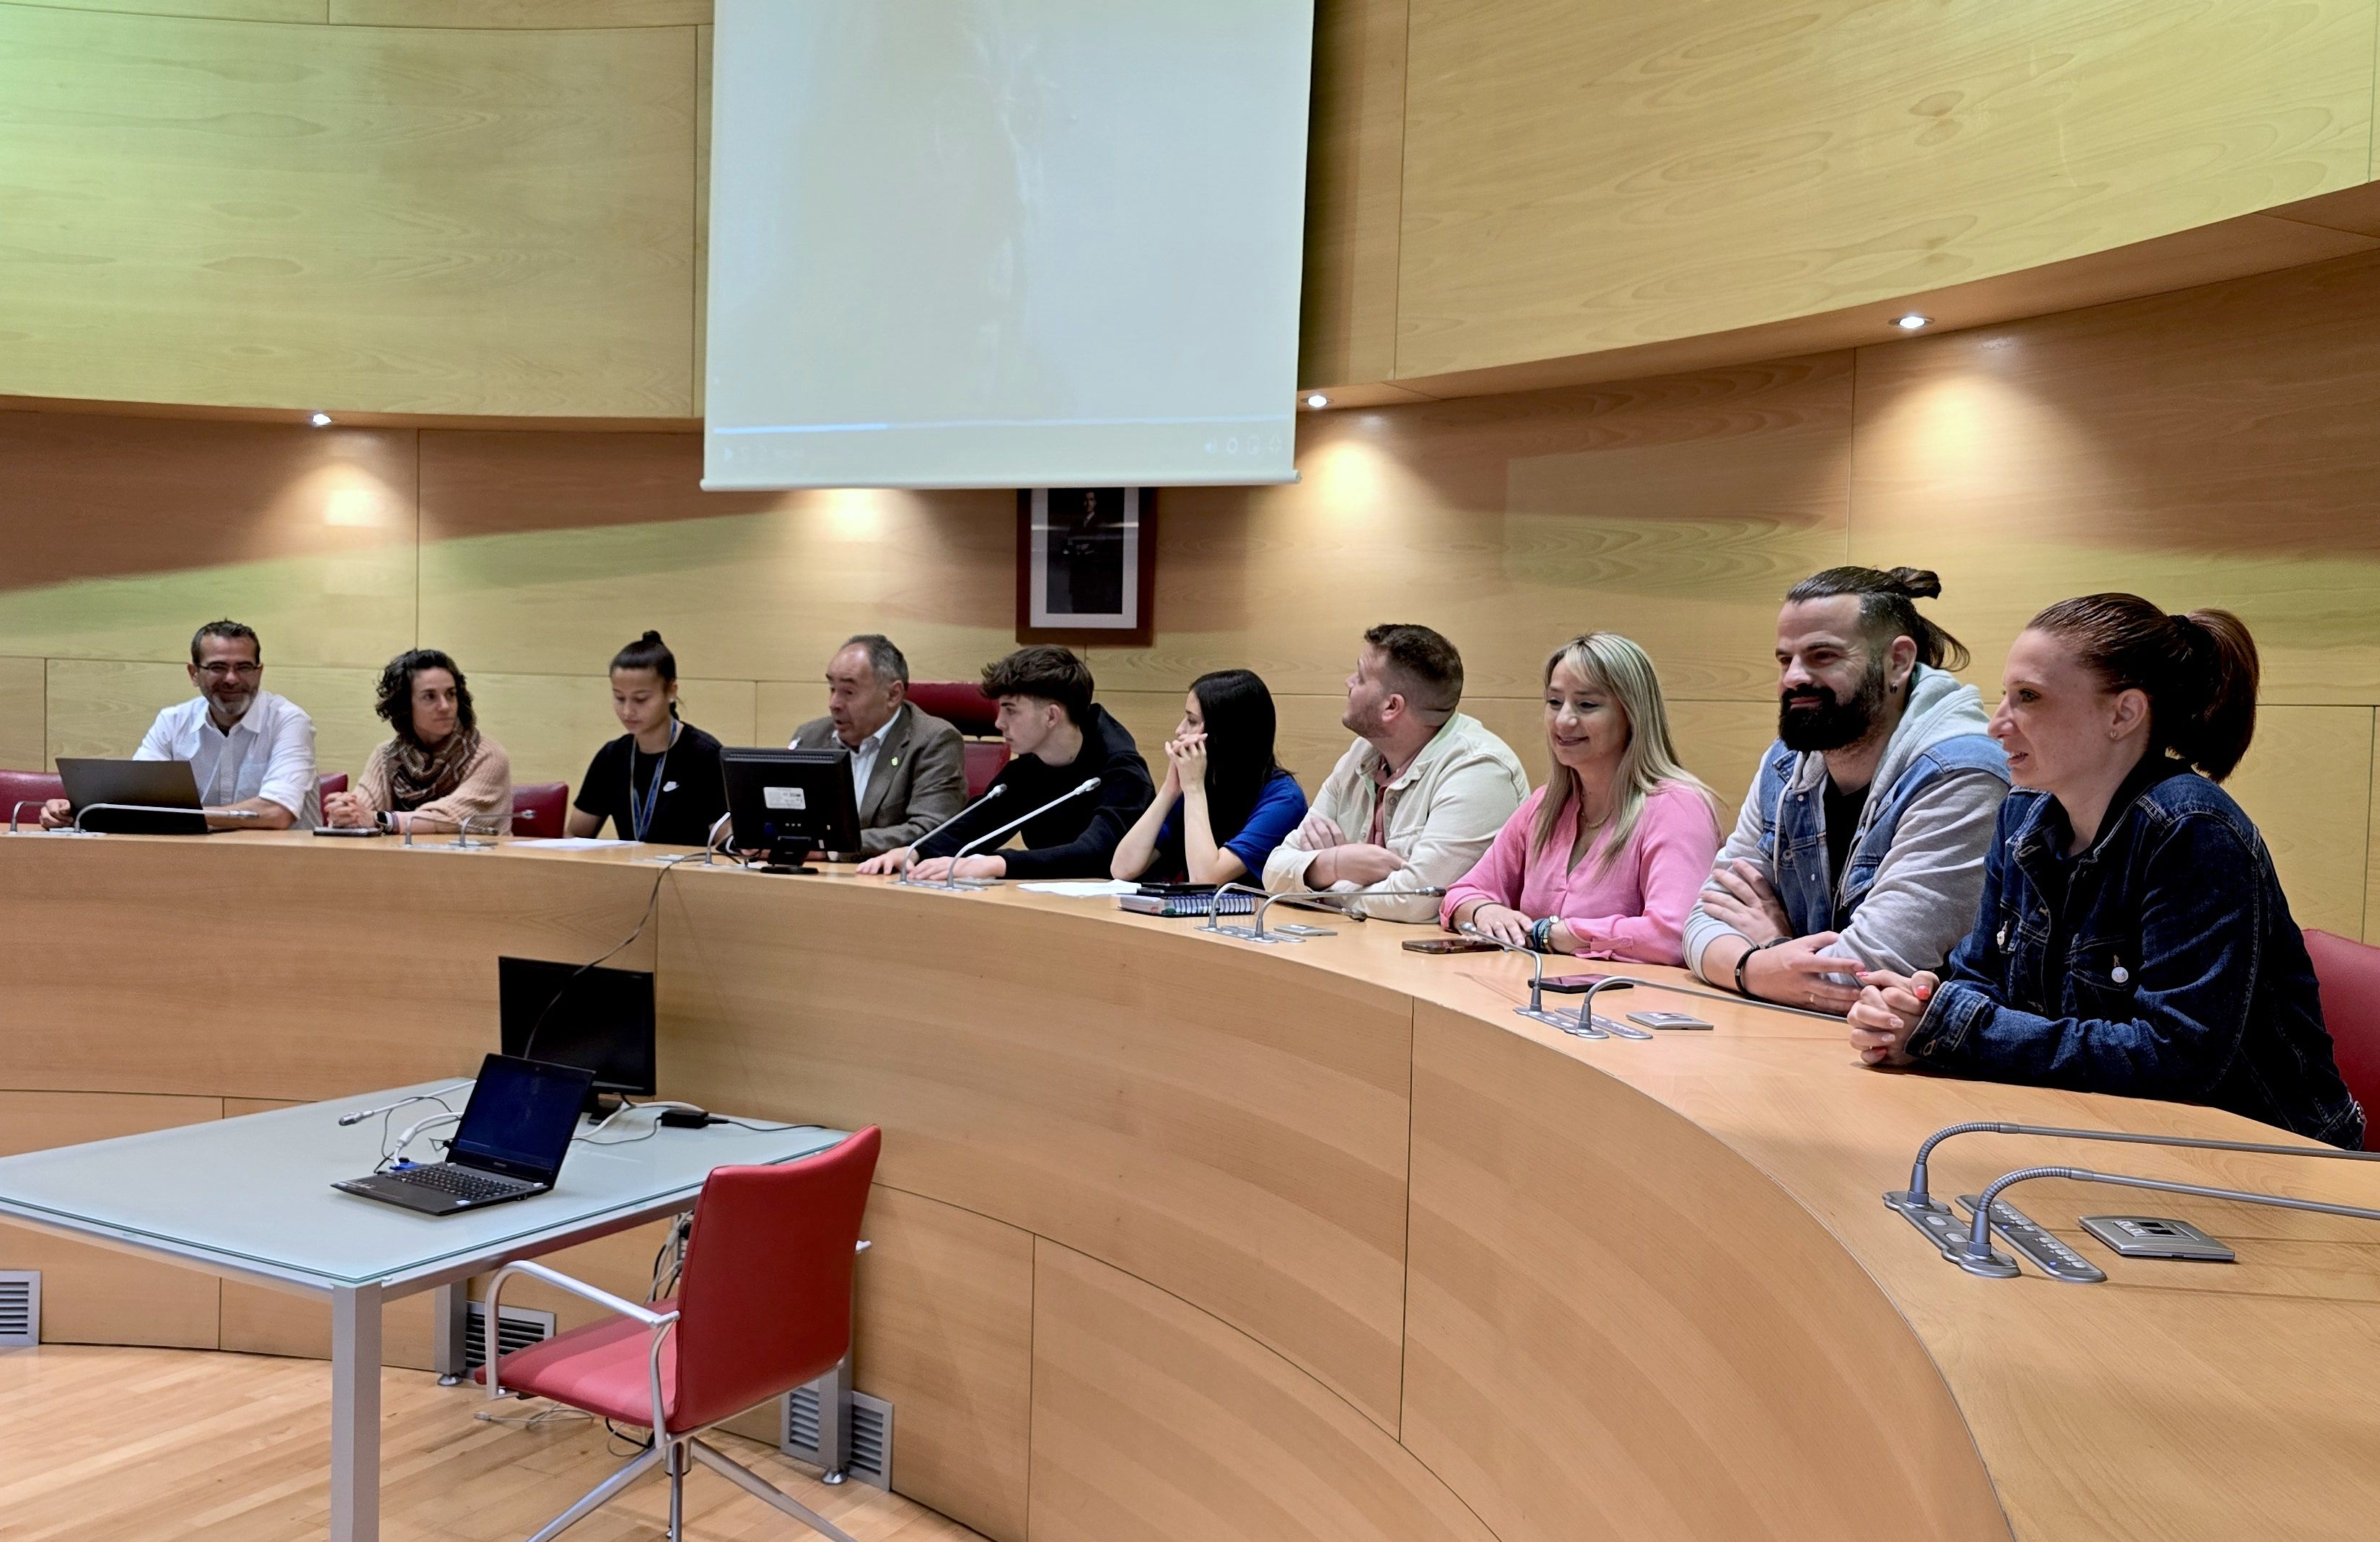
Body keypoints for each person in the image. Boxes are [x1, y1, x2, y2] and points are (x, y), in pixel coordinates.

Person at [1848, 596, 2363, 1148]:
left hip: (2265, 1159)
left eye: (2028, 698)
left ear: (2122, 714)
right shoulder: (2021, 815)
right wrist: (1918, 1012)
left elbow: (2175, 1058)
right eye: (2005, 695)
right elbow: (1979, 978)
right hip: (2096, 1132)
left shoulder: (2191, 829)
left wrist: (1956, 1028)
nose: (1997, 724)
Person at [1684, 568, 2010, 1014]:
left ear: (1897, 661)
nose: (1793, 678)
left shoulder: (1961, 774)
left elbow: (1866, 974)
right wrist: (1756, 967)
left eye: (1822, 656)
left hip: (1916, 1067)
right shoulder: (1784, 763)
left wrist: (1772, 947)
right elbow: (1705, 917)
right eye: (1785, 659)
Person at [1442, 633, 1722, 963]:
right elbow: (1459, 895)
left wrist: (1552, 933)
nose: (1564, 721)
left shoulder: (1677, 807)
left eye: (1587, 705)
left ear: (1633, 714)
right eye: (1554, 702)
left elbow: (1672, 935)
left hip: (1623, 1006)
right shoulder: (1545, 805)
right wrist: (1483, 911)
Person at [1263, 623, 1528, 922]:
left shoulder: (1479, 770)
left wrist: (1317, 880)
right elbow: (1274, 870)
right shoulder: (1361, 754)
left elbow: (1417, 901)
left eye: (1361, 677)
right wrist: (1338, 863)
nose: (1348, 682)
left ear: (1392, 706)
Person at [858, 645, 1152, 881]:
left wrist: (996, 864)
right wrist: (914, 853)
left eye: (1011, 711)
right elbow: (980, 823)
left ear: (1051, 716)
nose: (999, 723)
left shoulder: (1121, 768)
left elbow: (1097, 852)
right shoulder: (1029, 767)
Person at [42, 619, 317, 831]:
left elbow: (276, 813)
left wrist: (178, 815)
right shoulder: (172, 722)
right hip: (188, 859)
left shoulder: (289, 721)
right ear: (194, 674)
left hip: (281, 864)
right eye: (218, 667)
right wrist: (74, 812)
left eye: (244, 667)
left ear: (259, 673)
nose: (232, 678)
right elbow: (135, 801)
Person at [1110, 669, 1308, 885]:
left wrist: (1193, 790)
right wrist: (1170, 789)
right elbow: (1123, 868)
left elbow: (1205, 878)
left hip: (1249, 917)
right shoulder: (1200, 783)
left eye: (1192, 721)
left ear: (1223, 733)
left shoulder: (1284, 801)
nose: (1179, 730)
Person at [787, 633, 967, 855]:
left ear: (893, 694)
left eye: (849, 692)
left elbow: (931, 830)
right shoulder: (810, 736)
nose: (834, 704)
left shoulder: (933, 741)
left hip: (885, 881)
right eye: (832, 688)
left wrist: (831, 845)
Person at [565, 631, 729, 846]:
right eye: (619, 698)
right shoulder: (612, 756)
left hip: (688, 876)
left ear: (671, 691)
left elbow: (727, 843)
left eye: (641, 699)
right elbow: (574, 837)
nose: (627, 711)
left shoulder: (704, 755)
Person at [324, 648, 513, 834]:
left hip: (478, 863)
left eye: (451, 694)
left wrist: (379, 819)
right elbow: (361, 814)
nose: (445, 706)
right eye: (430, 697)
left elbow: (452, 818)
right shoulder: (387, 756)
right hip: (407, 864)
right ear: (405, 706)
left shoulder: (489, 755)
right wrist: (346, 813)